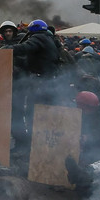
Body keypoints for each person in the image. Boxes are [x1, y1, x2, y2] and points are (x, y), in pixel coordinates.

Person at [10, 19, 60, 147]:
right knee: (40, 112)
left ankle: (30, 145)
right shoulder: (49, 39)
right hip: (48, 81)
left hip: (39, 81)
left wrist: (7, 49)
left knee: (32, 112)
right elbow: (34, 60)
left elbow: (26, 47)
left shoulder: (39, 38)